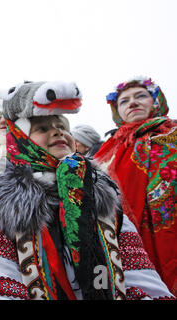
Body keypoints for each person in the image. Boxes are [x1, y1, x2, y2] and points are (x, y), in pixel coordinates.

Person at [0, 81, 174, 300]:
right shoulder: (1, 200)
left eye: (62, 127)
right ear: (21, 140)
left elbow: (137, 272)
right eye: (43, 129)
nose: (58, 133)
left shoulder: (100, 191)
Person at [94, 77, 176, 295]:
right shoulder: (106, 153)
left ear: (156, 101)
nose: (132, 103)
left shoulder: (174, 134)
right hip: (131, 241)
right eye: (124, 101)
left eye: (141, 96)